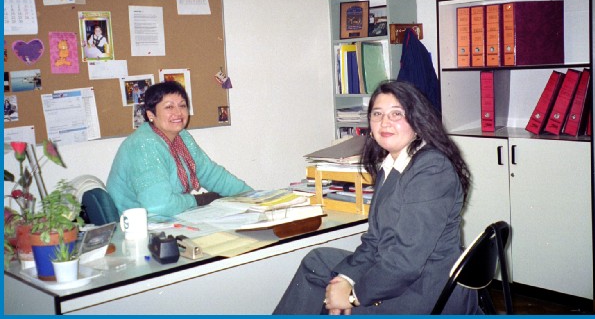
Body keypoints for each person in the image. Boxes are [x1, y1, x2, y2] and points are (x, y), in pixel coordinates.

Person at [273, 80, 479, 315]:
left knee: (333, 303)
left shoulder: (432, 169)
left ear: (417, 121)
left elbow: (406, 262)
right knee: (316, 261)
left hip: (425, 290)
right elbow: (374, 240)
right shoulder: (391, 164)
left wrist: (353, 296)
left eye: (396, 114)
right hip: (398, 272)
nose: (384, 122)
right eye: (377, 114)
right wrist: (345, 278)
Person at [107, 81, 252, 216]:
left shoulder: (182, 137)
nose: (178, 113)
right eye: (169, 107)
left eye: (182, 105)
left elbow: (211, 174)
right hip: (139, 226)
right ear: (151, 114)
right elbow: (159, 205)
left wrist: (252, 197)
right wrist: (199, 200)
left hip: (169, 219)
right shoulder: (143, 144)